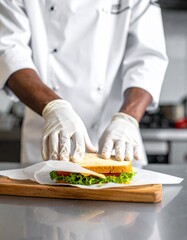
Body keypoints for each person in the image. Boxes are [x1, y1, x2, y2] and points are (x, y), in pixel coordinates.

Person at [0, 0, 168, 165]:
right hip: (48, 140)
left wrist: (127, 119)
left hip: (116, 142)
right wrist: (54, 108)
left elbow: (148, 58)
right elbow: (8, 51)